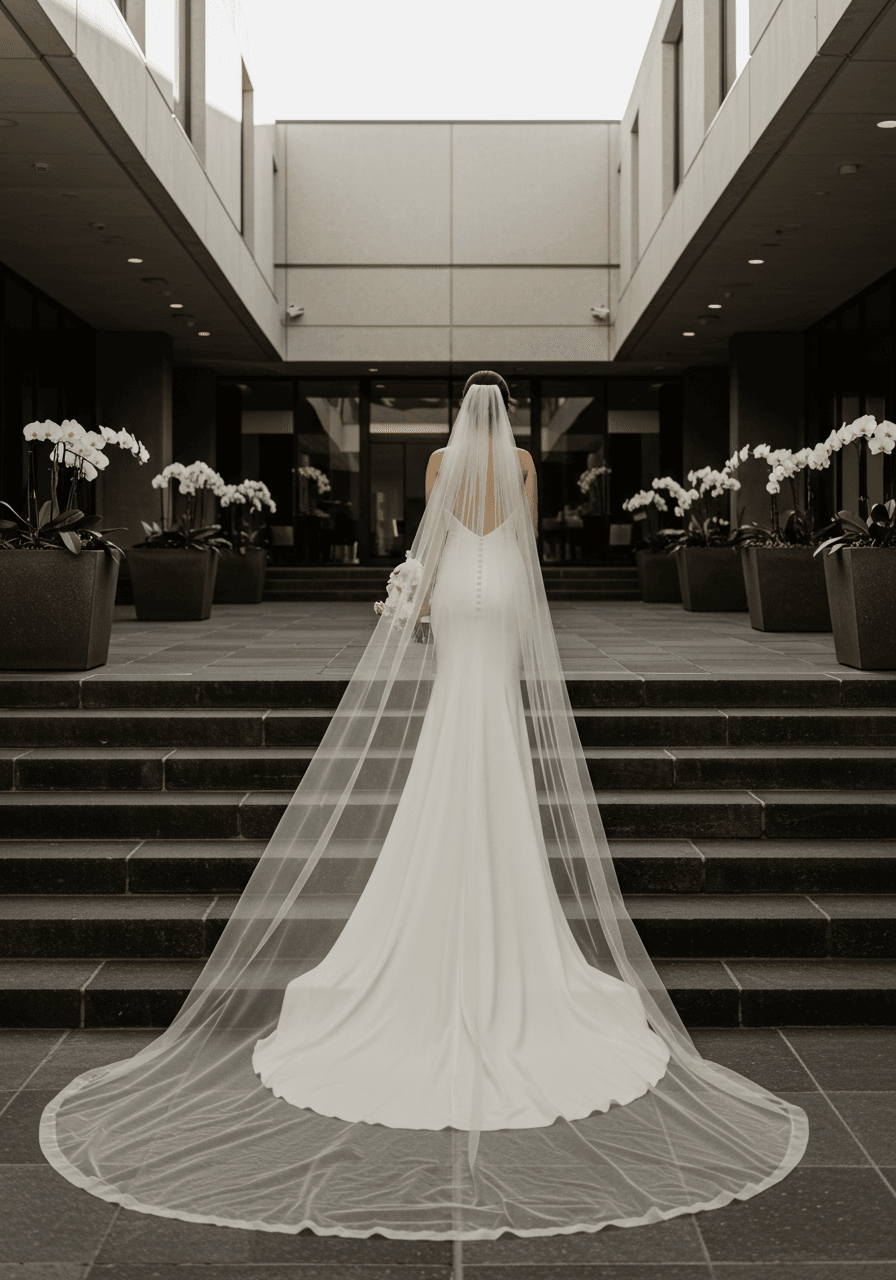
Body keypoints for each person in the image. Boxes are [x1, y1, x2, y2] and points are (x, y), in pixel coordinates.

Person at [40, 371, 808, 1243]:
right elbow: (520, 545)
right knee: (496, 727)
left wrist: (412, 603)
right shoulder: (520, 461)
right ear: (508, 411)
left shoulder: (442, 460)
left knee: (451, 717)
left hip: (456, 588)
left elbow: (433, 543)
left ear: (456, 415)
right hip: (504, 589)